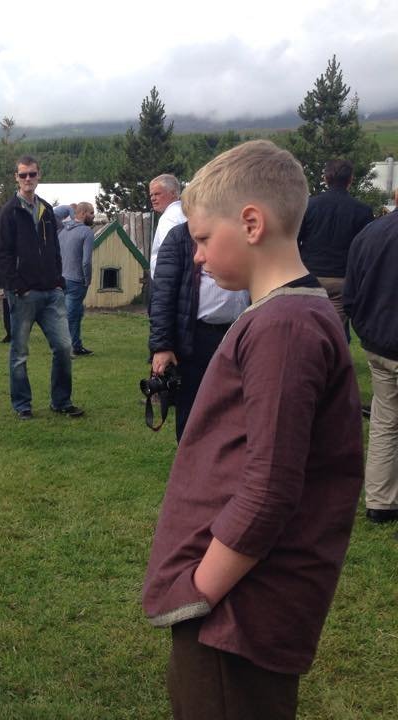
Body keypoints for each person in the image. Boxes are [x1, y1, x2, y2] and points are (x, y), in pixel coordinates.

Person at [142, 140, 363, 720]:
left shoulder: (285, 327)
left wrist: (200, 592)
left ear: (251, 223)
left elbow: (270, 488)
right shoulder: (285, 317)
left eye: (202, 238)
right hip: (238, 610)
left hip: (236, 618)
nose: (195, 256)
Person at [0, 155, 83, 420]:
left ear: (39, 175)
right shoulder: (9, 212)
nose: (28, 180)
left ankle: (61, 401)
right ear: (16, 177)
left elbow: (55, 249)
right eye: (23, 175)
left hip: (51, 292)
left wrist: (59, 281)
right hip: (24, 294)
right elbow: (3, 254)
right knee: (20, 352)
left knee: (64, 347)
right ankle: (22, 405)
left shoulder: (46, 210)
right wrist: (16, 286)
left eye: (32, 174)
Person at [149, 222, 249, 441]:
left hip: (241, 332)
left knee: (237, 406)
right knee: (192, 407)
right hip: (198, 337)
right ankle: (189, 466)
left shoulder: (243, 229)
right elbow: (163, 294)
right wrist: (162, 346)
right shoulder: (180, 236)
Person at [343, 207, 398, 524]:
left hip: (377, 344)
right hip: (383, 339)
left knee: (384, 423)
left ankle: (380, 501)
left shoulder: (370, 233)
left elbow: (351, 294)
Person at [298, 158, 374, 334]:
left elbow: (295, 239)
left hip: (311, 275)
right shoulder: (363, 210)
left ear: (326, 178)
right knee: (335, 332)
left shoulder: (308, 206)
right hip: (344, 278)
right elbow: (366, 248)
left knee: (309, 326)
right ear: (351, 179)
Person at [56, 202, 96, 357]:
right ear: (83, 213)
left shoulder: (63, 231)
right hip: (77, 280)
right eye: (91, 213)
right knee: (72, 315)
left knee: (74, 313)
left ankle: (77, 346)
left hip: (62, 278)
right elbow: (86, 261)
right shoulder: (86, 232)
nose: (93, 216)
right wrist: (88, 279)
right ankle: (70, 348)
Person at [148, 174, 187, 275]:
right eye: (151, 195)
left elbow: (170, 257)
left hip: (167, 279)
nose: (152, 198)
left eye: (157, 194)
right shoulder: (184, 213)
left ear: (173, 193)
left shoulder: (169, 218)